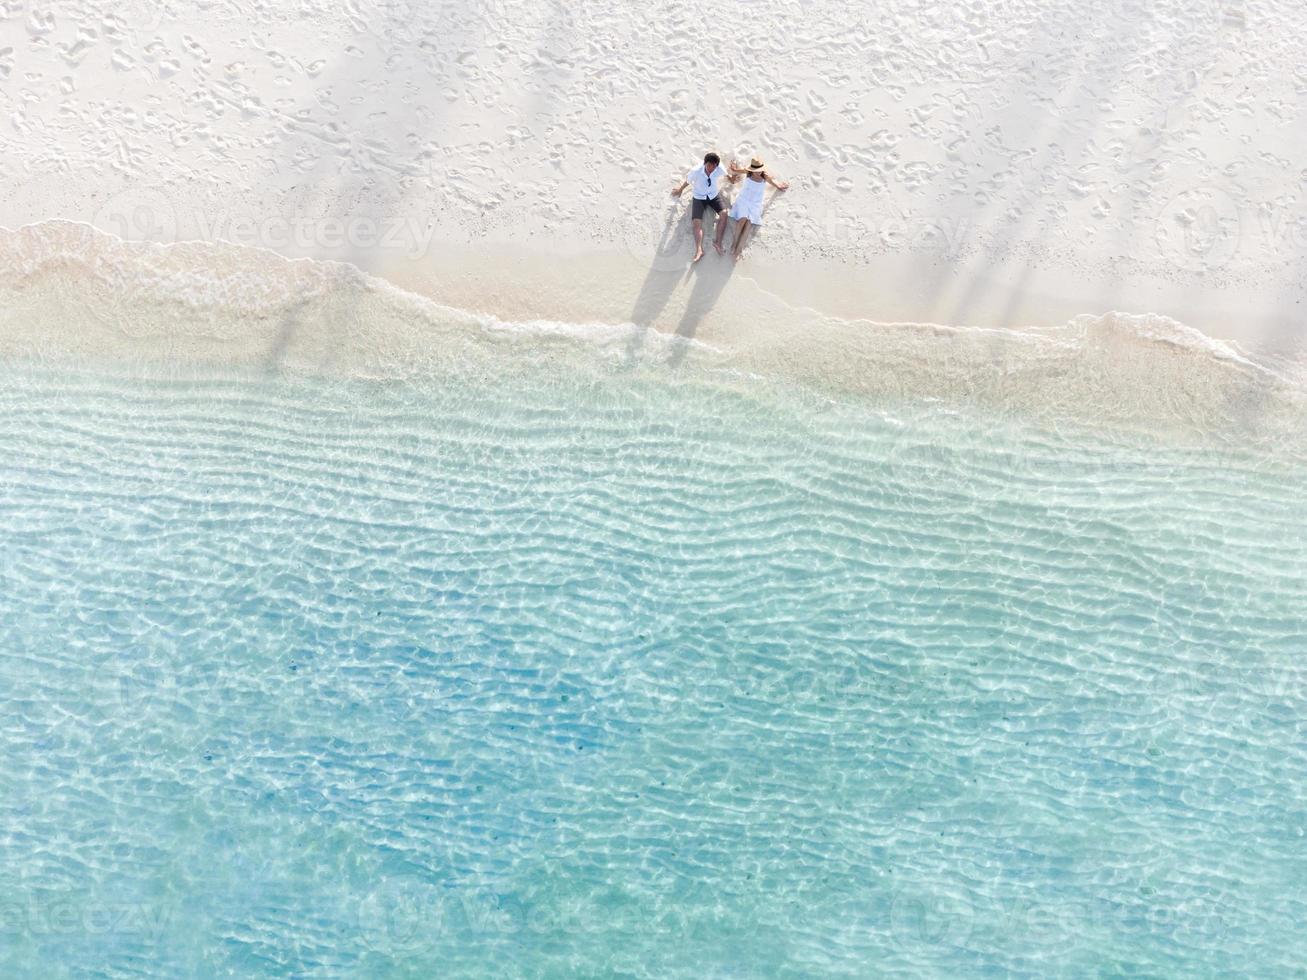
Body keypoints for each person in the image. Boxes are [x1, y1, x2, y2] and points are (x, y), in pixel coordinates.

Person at [671, 152, 738, 262]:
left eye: (713, 166)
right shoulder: (696, 171)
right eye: (709, 166)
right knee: (697, 223)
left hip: (713, 196)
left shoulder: (719, 167)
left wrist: (731, 178)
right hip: (699, 197)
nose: (711, 168)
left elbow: (726, 175)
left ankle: (718, 242)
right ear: (705, 163)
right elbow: (688, 181)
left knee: (724, 213)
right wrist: (680, 190)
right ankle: (699, 250)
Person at [725, 157, 789, 261]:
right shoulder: (748, 173)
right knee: (742, 220)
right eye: (756, 171)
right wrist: (733, 168)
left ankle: (738, 250)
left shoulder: (765, 176)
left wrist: (780, 186)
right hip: (743, 200)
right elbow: (736, 170)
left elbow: (774, 183)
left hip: (755, 203)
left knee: (749, 224)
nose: (758, 173)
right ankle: (734, 243)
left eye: (760, 171)